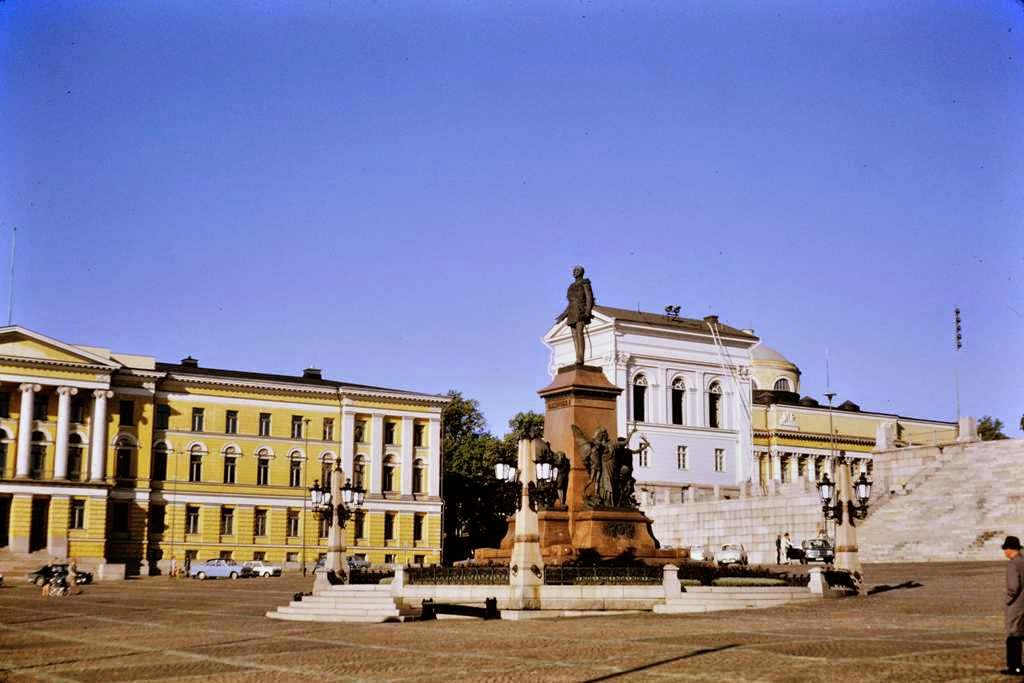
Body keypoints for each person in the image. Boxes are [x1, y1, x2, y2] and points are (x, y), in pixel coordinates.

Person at [1003, 536, 1024, 675]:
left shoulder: (1013, 564)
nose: (1004, 552)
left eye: (1005, 549)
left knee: (1013, 635)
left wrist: (1007, 600)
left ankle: (1015, 666)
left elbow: (1013, 587)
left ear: (1010, 549)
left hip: (1017, 605)